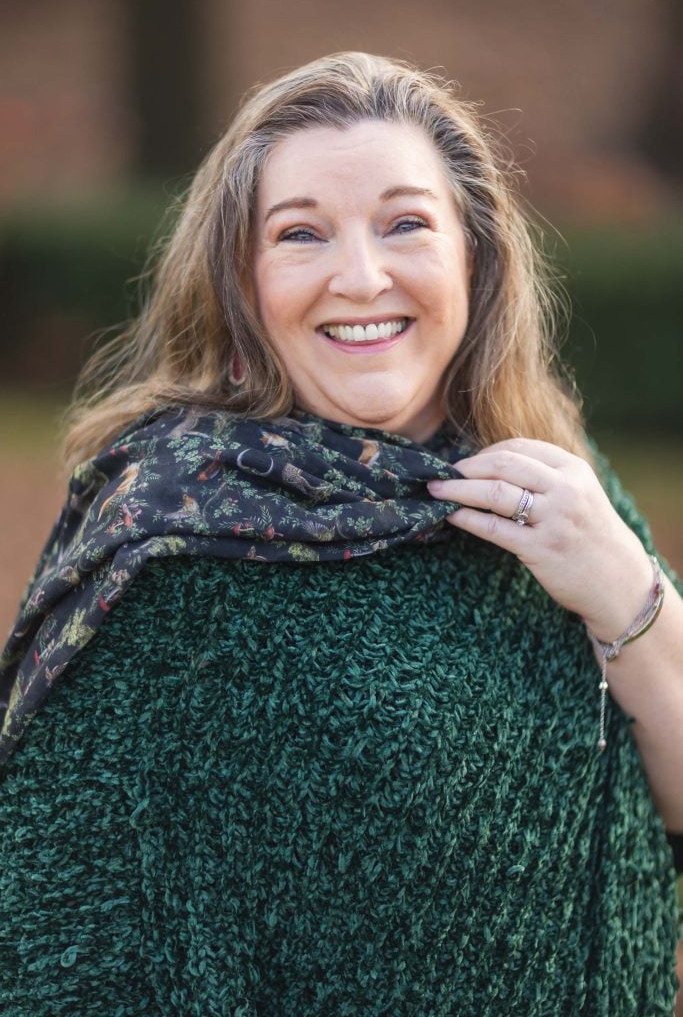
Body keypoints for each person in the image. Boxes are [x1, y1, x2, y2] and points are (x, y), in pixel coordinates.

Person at [0, 51, 681, 1016]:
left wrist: (624, 587)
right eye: (300, 235)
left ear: (474, 258)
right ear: (243, 283)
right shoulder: (178, 533)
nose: (360, 277)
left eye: (405, 224)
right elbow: (60, 939)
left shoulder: (550, 478)